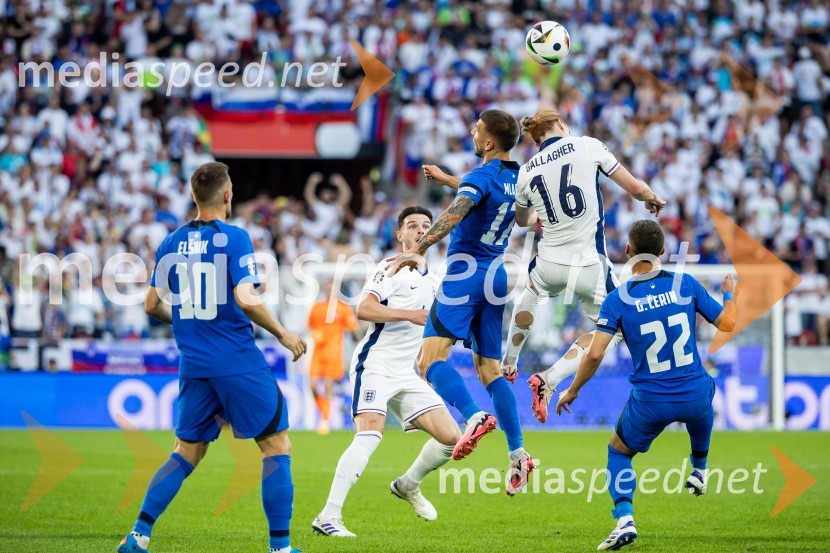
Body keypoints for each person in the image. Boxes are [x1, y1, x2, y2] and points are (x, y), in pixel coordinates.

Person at [117, 162, 307, 553]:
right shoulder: (235, 238)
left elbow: (152, 304)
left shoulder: (171, 242)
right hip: (236, 359)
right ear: (227, 195)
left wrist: (186, 318)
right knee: (276, 446)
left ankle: (138, 535)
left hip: (194, 364)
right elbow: (245, 298)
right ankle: (281, 548)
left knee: (186, 452)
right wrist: (283, 332)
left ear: (192, 196)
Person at [555, 220, 738, 550]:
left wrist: (573, 390)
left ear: (627, 250)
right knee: (705, 396)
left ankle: (625, 519)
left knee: (617, 451)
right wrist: (728, 293)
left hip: (651, 401)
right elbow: (728, 323)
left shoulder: (617, 300)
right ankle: (700, 468)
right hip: (694, 393)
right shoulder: (686, 284)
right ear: (663, 252)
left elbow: (595, 355)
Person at [389, 109, 534, 495]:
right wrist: (450, 178)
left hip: (463, 275)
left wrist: (416, 249)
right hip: (497, 276)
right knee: (489, 371)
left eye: (478, 129)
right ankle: (518, 452)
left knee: (429, 361)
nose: (472, 130)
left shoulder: (479, 177)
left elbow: (454, 214)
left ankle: (473, 417)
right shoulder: (517, 178)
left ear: (488, 142)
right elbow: (517, 215)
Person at [500, 110, 666, 423]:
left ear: (537, 137)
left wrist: (538, 216)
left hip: (549, 260)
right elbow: (635, 188)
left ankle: (509, 362)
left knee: (531, 293)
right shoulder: (587, 145)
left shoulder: (526, 171)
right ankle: (549, 379)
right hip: (589, 263)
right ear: (561, 124)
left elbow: (521, 220)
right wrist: (652, 197)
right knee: (614, 329)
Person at [312, 206, 463, 537]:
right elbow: (364, 308)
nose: (420, 230)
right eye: (412, 225)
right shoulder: (390, 267)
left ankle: (408, 484)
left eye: (426, 225)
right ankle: (328, 516)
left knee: (453, 438)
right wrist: (408, 315)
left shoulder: (436, 278)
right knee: (370, 434)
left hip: (406, 372)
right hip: (375, 364)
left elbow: (435, 328)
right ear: (400, 234)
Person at [306, 282, 360, 434]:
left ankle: (324, 421)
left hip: (334, 353)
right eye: (328, 290)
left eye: (333, 291)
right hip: (318, 353)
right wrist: (316, 334)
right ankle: (325, 407)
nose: (330, 293)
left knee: (328, 386)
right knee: (313, 386)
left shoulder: (343, 309)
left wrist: (358, 336)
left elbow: (354, 329)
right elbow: (311, 327)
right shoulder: (317, 307)